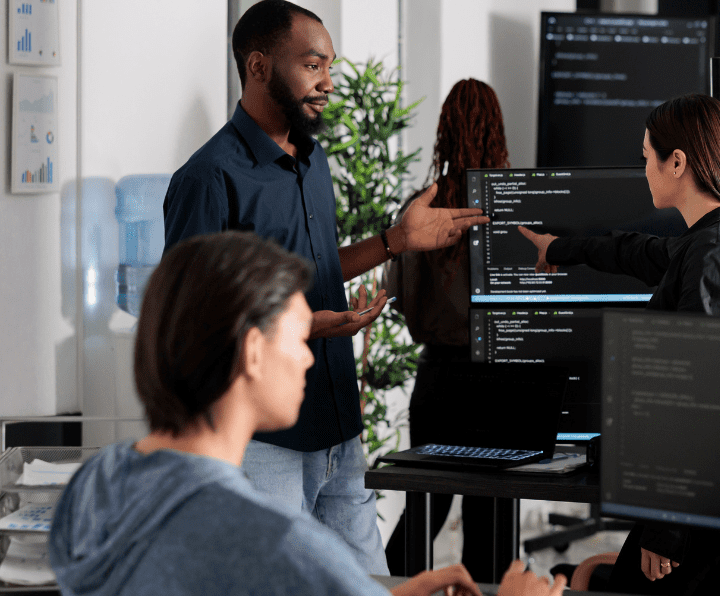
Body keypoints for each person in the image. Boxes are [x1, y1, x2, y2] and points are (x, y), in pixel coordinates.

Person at [48, 231, 566, 596]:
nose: (307, 356)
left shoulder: (95, 484)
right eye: (298, 338)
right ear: (252, 352)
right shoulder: (279, 543)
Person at [162, 0, 487, 575]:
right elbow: (192, 321)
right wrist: (307, 326)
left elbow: (309, 274)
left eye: (330, 67)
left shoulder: (314, 163)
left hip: (337, 427)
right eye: (313, 65)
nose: (329, 83)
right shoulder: (209, 177)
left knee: (370, 583)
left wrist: (395, 240)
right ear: (259, 66)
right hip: (267, 444)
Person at [518, 94, 720, 596]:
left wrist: (665, 528)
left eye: (646, 157)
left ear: (676, 162)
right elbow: (639, 250)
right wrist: (562, 249)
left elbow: (696, 399)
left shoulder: (715, 253)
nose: (645, 170)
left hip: (699, 496)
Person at [380, 78, 509, 577]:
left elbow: (398, 299)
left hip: (436, 377)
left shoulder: (419, 207)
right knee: (493, 513)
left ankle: (382, 591)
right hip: (501, 379)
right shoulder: (514, 204)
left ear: (443, 131)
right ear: (496, 128)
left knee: (425, 511)